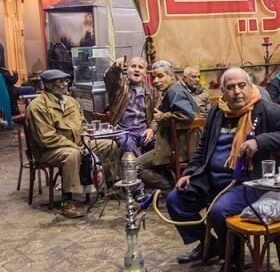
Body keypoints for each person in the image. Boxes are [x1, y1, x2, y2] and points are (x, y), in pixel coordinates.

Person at [165, 67, 280, 272]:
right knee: (175, 200)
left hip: (246, 182)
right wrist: (190, 172)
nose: (237, 91)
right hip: (210, 179)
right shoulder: (217, 111)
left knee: (219, 211)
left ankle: (233, 259)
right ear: (223, 92)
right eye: (230, 87)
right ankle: (209, 244)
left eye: (241, 85)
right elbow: (203, 147)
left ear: (250, 86)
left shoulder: (267, 110)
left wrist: (260, 141)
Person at [24, 69, 119, 218]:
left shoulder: (71, 101)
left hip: (78, 143)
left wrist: (86, 140)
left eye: (65, 80)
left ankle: (107, 187)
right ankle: (68, 200)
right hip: (49, 151)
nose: (64, 84)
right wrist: (76, 147)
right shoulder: (38, 107)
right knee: (72, 155)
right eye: (60, 81)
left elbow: (82, 124)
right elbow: (46, 138)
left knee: (110, 144)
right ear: (48, 86)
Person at [136, 60, 198, 191]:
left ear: (171, 76)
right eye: (153, 78)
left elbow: (188, 115)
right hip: (178, 144)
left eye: (160, 76)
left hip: (180, 148)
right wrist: (152, 129)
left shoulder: (175, 92)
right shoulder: (172, 91)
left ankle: (169, 187)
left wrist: (163, 117)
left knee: (136, 166)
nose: (156, 81)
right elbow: (159, 113)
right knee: (146, 143)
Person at [104, 57, 160, 157]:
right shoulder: (119, 87)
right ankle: (139, 168)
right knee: (127, 144)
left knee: (160, 144)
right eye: (133, 66)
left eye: (140, 67)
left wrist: (152, 129)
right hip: (123, 131)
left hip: (143, 132)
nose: (137, 69)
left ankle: (147, 168)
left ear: (145, 72)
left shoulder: (152, 91)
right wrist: (116, 67)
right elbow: (109, 78)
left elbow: (158, 114)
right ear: (128, 70)